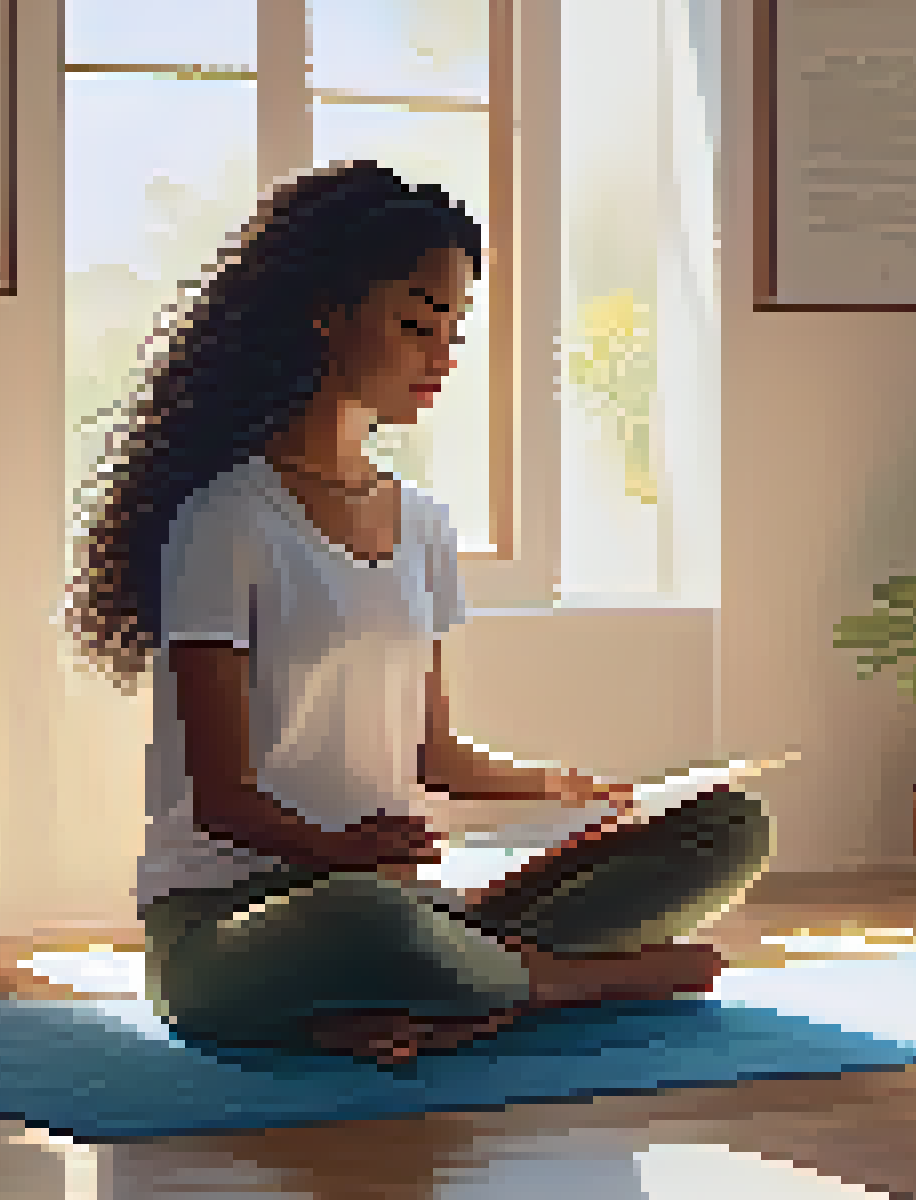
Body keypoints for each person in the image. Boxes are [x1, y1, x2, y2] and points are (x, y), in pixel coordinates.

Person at [66, 161, 774, 1066]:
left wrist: (570, 793)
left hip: (407, 893)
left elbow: (431, 754)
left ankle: (442, 992)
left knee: (728, 829)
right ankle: (572, 983)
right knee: (365, 922)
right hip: (240, 922)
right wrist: (342, 852)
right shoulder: (226, 520)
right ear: (327, 309)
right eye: (414, 324)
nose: (440, 356)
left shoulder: (424, 524)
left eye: (453, 331)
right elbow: (221, 798)